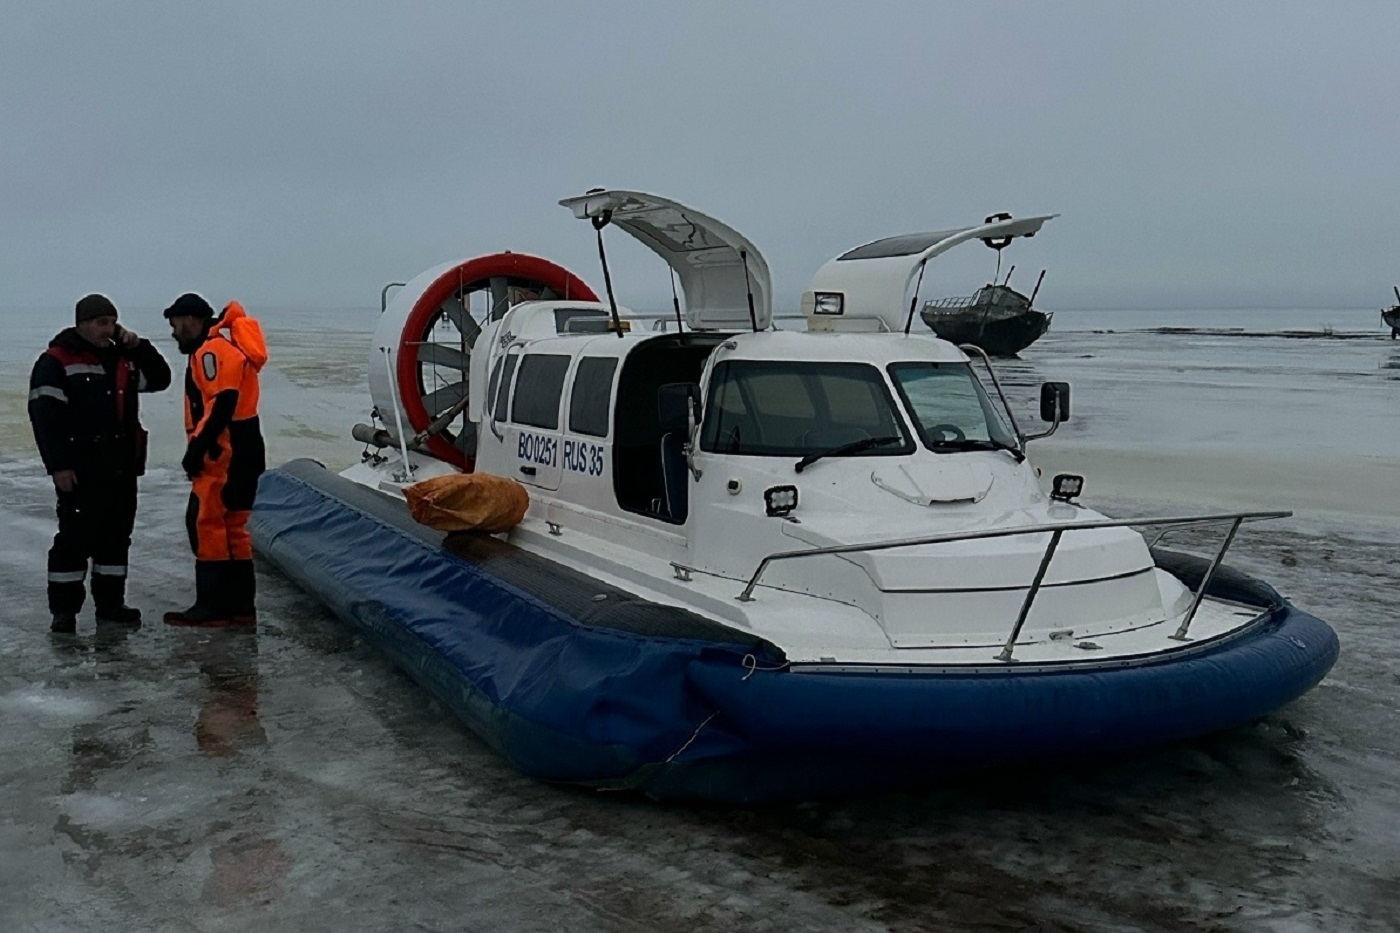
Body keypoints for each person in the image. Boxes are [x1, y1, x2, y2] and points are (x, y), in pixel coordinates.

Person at [28, 294, 173, 633]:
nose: (108, 329)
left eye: (112, 322)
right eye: (101, 323)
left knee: (116, 537)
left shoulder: (123, 359)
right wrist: (58, 466)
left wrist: (138, 345)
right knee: (74, 540)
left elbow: (161, 378)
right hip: (80, 468)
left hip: (121, 467)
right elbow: (44, 418)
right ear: (82, 324)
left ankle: (111, 606)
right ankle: (64, 612)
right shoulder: (56, 361)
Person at [162, 293, 268, 627]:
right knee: (235, 527)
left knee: (206, 522)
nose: (174, 332)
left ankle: (212, 607)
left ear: (191, 319)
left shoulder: (210, 351)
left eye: (176, 324)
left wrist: (197, 449)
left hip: (224, 451)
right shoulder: (230, 348)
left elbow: (222, 401)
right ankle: (240, 608)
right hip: (247, 446)